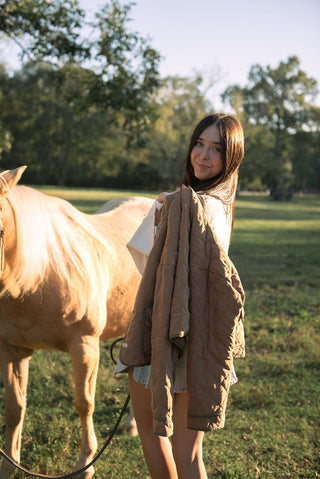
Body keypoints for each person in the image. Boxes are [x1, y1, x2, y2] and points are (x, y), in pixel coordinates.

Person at [118, 113, 245, 479]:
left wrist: (168, 205)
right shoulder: (221, 205)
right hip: (204, 340)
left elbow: (143, 261)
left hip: (168, 334)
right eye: (199, 144)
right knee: (188, 453)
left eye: (217, 149)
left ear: (232, 157)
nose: (203, 155)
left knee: (156, 438)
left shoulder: (185, 205)